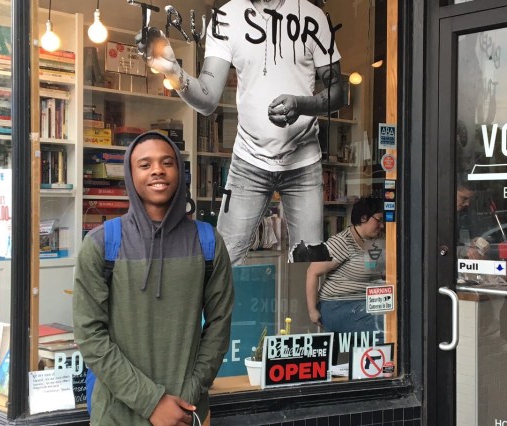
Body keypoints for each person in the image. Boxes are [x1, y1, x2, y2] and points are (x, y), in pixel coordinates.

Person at [142, 0, 345, 264]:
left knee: (308, 264)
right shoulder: (226, 16)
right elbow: (207, 99)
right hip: (249, 162)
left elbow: (338, 93)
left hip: (303, 161)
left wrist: (301, 105)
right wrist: (174, 71)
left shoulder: (312, 16)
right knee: (224, 262)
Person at [73, 131, 234, 426]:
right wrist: (152, 402)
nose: (157, 170)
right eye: (145, 164)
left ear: (180, 172)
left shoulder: (208, 242)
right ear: (130, 175)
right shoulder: (101, 244)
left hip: (188, 414)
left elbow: (219, 326)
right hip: (117, 417)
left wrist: (189, 395)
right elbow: (90, 335)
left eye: (167, 162)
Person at [305, 197, 385, 357]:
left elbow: (377, 272)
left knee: (397, 318)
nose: (382, 225)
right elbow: (312, 272)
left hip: (369, 303)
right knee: (385, 327)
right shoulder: (342, 242)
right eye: (379, 220)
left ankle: (365, 367)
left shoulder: (375, 241)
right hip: (339, 305)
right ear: (364, 218)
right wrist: (312, 310)